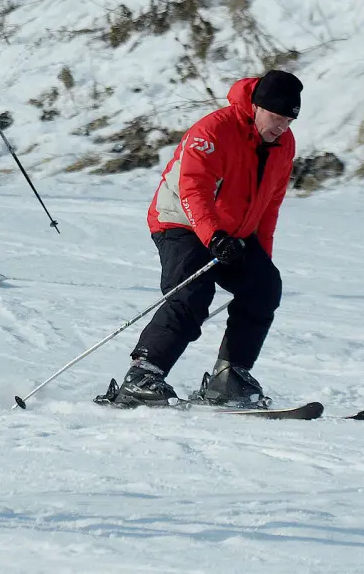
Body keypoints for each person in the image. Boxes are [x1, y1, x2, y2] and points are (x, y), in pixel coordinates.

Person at [108, 70, 302, 408]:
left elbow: (270, 205)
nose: (282, 126)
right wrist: (213, 236)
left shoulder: (284, 145)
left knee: (265, 286)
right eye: (277, 116)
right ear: (256, 106)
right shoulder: (213, 131)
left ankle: (230, 377)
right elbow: (193, 189)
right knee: (192, 294)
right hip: (179, 221)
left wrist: (262, 258)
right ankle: (143, 375)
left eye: (289, 119)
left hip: (231, 232)